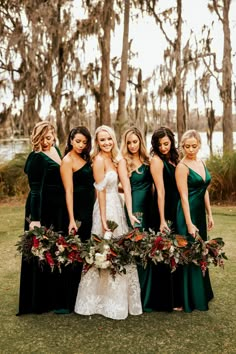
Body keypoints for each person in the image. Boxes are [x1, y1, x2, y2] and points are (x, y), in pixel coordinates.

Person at [74, 125, 142, 320]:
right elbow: (101, 192)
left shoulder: (118, 159)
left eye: (109, 139)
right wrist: (103, 219)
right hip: (103, 208)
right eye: (102, 140)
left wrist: (129, 212)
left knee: (119, 250)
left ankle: (119, 301)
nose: (106, 143)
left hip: (118, 208)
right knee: (102, 250)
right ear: (98, 142)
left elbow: (127, 188)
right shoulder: (98, 161)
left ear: (113, 139)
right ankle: (97, 300)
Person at [17, 121, 67, 315]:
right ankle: (39, 299)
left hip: (57, 208)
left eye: (50, 137)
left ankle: (53, 295)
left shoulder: (56, 150)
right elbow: (36, 190)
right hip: (41, 208)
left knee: (54, 250)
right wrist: (36, 220)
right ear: (37, 138)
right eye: (44, 138)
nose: (47, 141)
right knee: (40, 249)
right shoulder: (37, 157)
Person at [175, 129, 214, 312]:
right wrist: (189, 223)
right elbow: (183, 196)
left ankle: (201, 292)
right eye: (187, 146)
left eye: (194, 146)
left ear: (199, 145)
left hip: (199, 212)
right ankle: (187, 299)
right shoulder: (182, 167)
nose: (191, 149)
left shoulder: (201, 162)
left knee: (200, 251)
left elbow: (204, 188)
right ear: (182, 146)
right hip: (186, 213)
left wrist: (210, 213)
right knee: (189, 252)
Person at [60, 126, 95, 311]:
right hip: (78, 210)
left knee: (89, 249)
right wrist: (72, 219)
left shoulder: (86, 158)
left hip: (91, 208)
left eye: (84, 142)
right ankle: (69, 299)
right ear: (71, 140)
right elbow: (68, 191)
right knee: (76, 252)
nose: (81, 145)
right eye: (77, 141)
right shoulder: (67, 161)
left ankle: (86, 295)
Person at [119, 127, 154, 312]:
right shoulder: (124, 162)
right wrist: (131, 213)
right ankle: (139, 298)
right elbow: (126, 190)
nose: (132, 145)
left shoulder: (148, 160)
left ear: (140, 141)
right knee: (138, 249)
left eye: (135, 141)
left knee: (149, 248)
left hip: (150, 208)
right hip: (136, 210)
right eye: (129, 142)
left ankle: (150, 294)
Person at [150, 126, 183, 312]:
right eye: (159, 144)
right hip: (164, 208)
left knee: (176, 249)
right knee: (166, 251)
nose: (163, 147)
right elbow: (160, 191)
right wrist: (162, 219)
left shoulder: (174, 158)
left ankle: (179, 295)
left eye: (166, 143)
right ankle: (167, 300)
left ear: (171, 141)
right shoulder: (156, 161)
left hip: (176, 206)